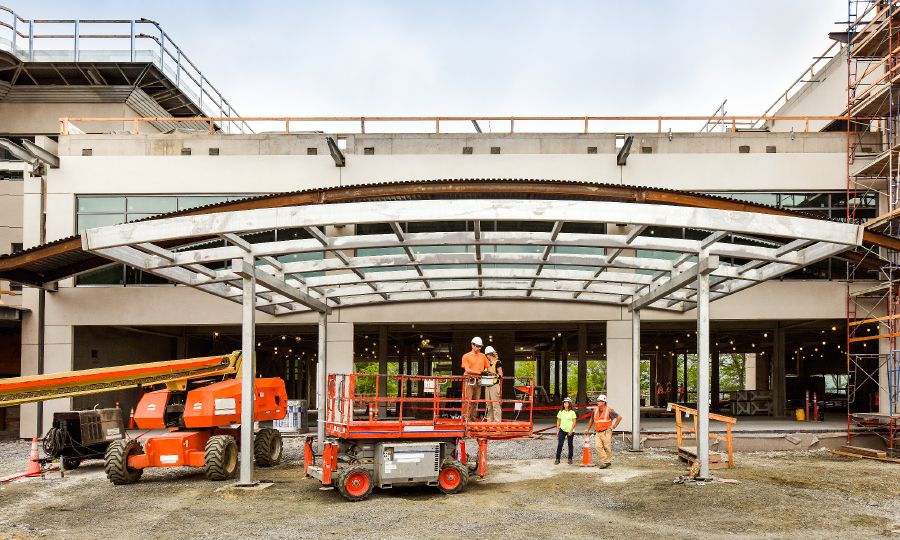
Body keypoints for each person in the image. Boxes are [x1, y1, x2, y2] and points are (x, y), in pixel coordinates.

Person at [583, 394, 621, 469]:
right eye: (597, 401)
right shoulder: (595, 410)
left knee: (607, 447)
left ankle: (606, 462)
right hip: (598, 431)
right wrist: (587, 428)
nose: (598, 402)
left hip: (607, 431)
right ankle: (605, 461)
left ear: (604, 402)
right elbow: (591, 420)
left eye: (600, 401)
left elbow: (619, 417)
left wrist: (614, 426)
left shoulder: (609, 410)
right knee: (598, 446)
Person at [461, 336, 488, 421]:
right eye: (477, 346)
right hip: (469, 380)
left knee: (475, 401)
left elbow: (488, 367)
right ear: (472, 345)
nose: (479, 348)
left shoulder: (483, 356)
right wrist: (480, 373)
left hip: (478, 381)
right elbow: (467, 369)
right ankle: (465, 419)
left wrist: (495, 373)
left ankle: (472, 420)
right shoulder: (466, 356)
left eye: (480, 346)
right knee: (467, 401)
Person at [555, 397, 577, 465]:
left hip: (570, 430)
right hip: (562, 430)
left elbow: (574, 422)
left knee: (570, 445)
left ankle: (570, 458)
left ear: (569, 404)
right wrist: (558, 429)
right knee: (560, 444)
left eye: (567, 402)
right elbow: (558, 420)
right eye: (564, 402)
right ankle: (557, 459)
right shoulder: (561, 412)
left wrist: (571, 431)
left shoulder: (572, 412)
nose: (565, 403)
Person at [484, 345, 503, 422]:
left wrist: (494, 374)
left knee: (495, 405)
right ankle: (490, 423)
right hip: (487, 386)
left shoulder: (497, 362)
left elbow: (501, 375)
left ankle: (497, 424)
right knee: (489, 405)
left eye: (486, 355)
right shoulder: (487, 364)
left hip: (494, 386)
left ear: (489, 354)